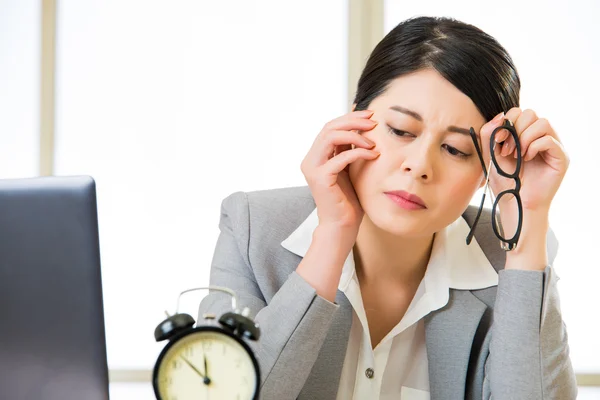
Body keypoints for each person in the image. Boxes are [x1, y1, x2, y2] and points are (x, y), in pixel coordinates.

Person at [198, 16, 577, 399]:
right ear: (354, 120)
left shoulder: (511, 265)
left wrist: (526, 222)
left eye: (456, 150)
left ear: (485, 172)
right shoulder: (251, 230)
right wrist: (332, 234)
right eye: (400, 130)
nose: (419, 166)